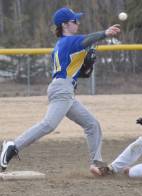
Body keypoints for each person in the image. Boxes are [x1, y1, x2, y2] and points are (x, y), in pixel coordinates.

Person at [0, 7, 120, 174]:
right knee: (49, 124)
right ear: (64, 25)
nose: (77, 23)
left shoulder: (63, 44)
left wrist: (87, 65)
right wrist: (105, 33)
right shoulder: (68, 41)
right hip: (62, 89)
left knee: (92, 125)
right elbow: (88, 39)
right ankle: (13, 146)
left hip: (66, 90)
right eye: (74, 21)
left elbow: (82, 73)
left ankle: (97, 163)